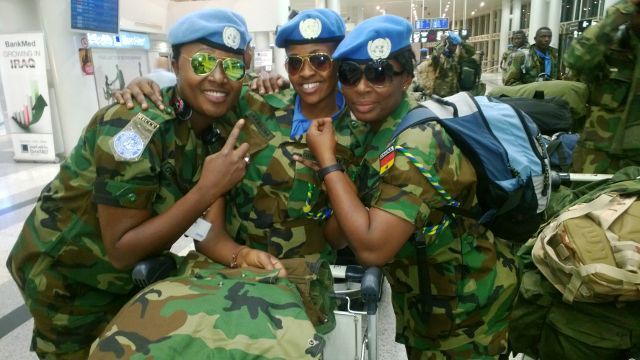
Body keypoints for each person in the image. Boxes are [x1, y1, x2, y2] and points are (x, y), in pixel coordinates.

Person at [6, 9, 284, 359]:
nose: (218, 78)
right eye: (201, 63)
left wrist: (240, 255)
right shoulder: (135, 126)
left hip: (124, 281)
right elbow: (121, 250)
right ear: (175, 65)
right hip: (66, 277)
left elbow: (206, 232)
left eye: (231, 67)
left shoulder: (215, 129)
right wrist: (205, 190)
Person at [300, 14, 518, 359]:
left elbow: (372, 249)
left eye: (378, 73)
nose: (361, 87)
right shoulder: (376, 131)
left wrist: (329, 165)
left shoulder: (417, 143)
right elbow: (340, 234)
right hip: (427, 302)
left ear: (406, 78)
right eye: (349, 75)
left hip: (466, 310)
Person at [113, 8, 368, 264]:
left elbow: (339, 239)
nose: (306, 72)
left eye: (320, 60)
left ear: (340, 62)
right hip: (230, 264)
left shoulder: (357, 137)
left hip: (301, 275)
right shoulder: (256, 101)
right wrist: (144, 85)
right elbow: (200, 94)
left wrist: (334, 174)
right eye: (294, 62)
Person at [565, 0, 640, 174]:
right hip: (598, 158)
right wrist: (611, 21)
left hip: (636, 164)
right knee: (585, 201)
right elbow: (575, 60)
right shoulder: (608, 47)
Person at [414, 31, 478, 97]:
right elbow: (435, 56)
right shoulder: (440, 58)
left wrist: (462, 43)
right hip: (440, 95)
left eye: (456, 45)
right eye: (452, 45)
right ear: (447, 45)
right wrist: (443, 43)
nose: (454, 48)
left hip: (453, 95)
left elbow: (471, 52)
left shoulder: (456, 58)